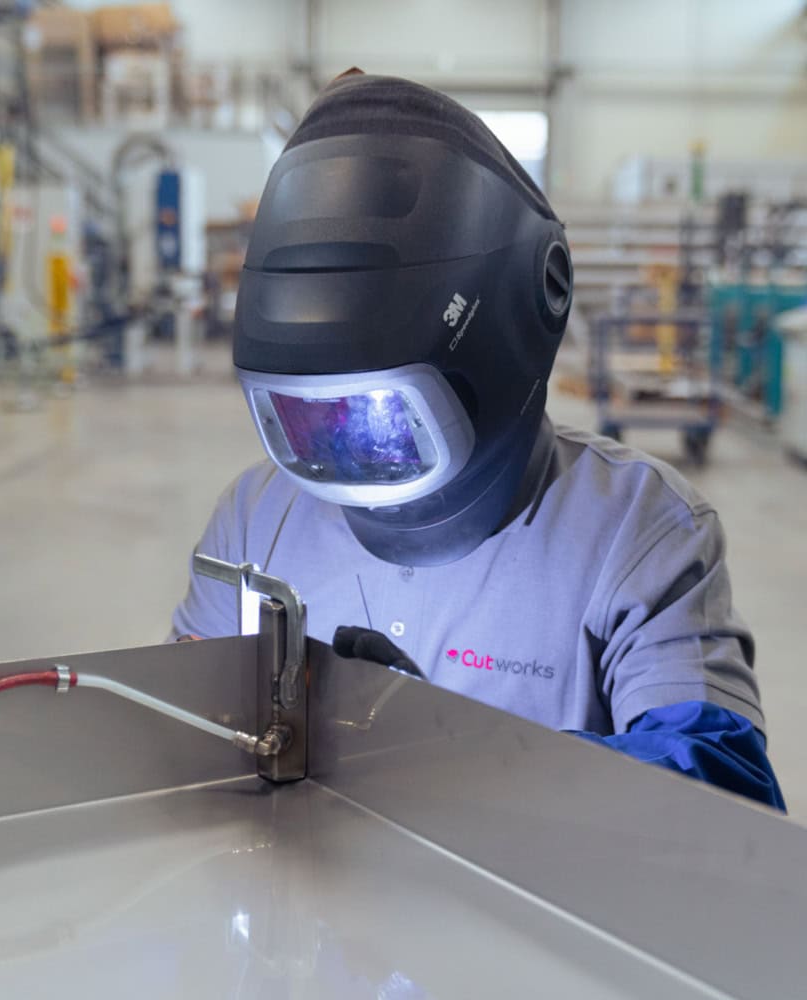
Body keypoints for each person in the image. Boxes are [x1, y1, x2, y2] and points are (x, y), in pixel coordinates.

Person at [170, 72, 784, 810]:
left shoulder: (638, 529)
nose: (353, 452)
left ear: (538, 297)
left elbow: (722, 796)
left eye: (381, 419)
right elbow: (183, 741)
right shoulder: (255, 517)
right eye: (312, 420)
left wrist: (451, 758)